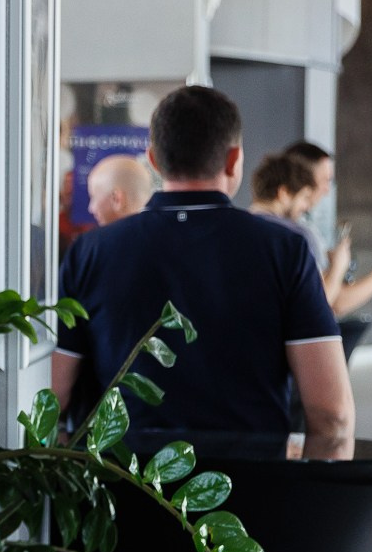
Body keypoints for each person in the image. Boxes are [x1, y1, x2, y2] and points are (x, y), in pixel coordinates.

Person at [53, 87, 355, 444]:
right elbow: (332, 416)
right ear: (233, 159)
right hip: (250, 474)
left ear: (153, 160)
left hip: (119, 474)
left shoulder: (90, 252)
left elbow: (55, 395)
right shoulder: (285, 250)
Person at [270, 142, 372, 318]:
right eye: (325, 180)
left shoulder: (263, 226)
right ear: (302, 180)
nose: (327, 190)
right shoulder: (302, 234)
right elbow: (333, 302)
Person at [86, 153, 154, 226]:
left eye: (93, 197)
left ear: (116, 199)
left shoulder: (99, 234)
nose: (91, 209)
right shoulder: (160, 229)